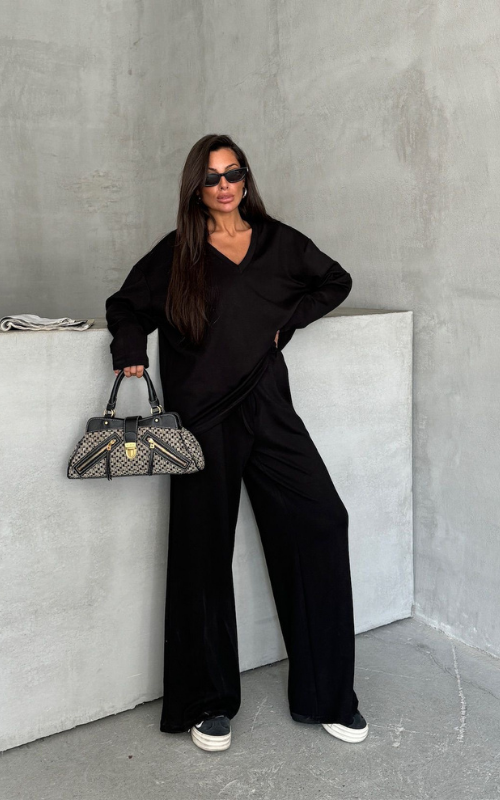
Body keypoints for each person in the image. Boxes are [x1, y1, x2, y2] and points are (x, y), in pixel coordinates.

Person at [105, 133, 369, 752]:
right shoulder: (177, 253)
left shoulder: (279, 242)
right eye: (211, 177)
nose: (224, 185)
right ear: (195, 188)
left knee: (321, 522)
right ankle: (207, 701)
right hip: (201, 419)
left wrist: (286, 324)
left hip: (270, 408)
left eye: (233, 173)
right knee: (202, 554)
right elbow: (126, 305)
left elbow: (335, 281)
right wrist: (130, 350)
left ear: (246, 178)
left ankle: (327, 695)